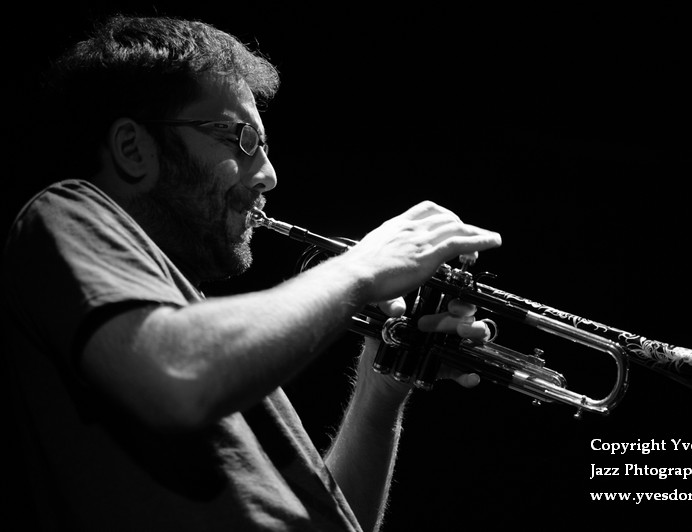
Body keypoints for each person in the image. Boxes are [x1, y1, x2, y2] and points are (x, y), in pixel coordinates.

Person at [1, 14, 502, 532]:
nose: (268, 175)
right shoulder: (67, 215)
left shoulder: (208, 328)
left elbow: (330, 521)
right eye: (242, 140)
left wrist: (384, 383)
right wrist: (360, 270)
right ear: (133, 149)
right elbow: (179, 377)